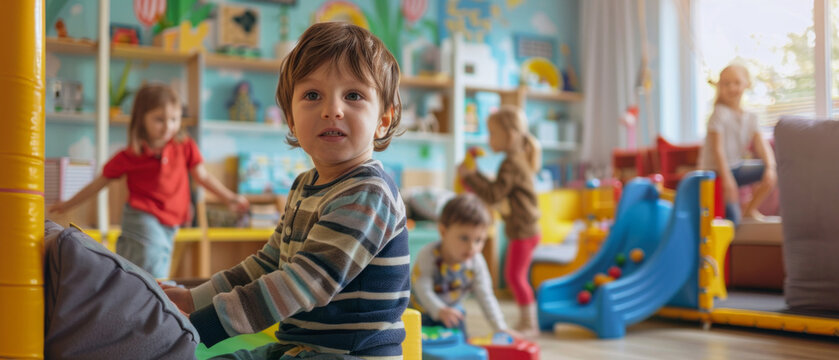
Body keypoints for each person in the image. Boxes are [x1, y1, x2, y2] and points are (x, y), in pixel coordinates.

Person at [163, 22, 409, 358]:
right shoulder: (304, 185)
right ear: (290, 119)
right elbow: (268, 263)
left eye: (353, 95)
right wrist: (194, 298)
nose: (331, 109)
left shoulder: (368, 193)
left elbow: (302, 282)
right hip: (298, 348)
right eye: (312, 95)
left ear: (383, 119)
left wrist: (200, 324)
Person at [49, 83, 249, 279]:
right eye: (159, 120)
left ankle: (138, 296)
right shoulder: (130, 156)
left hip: (171, 222)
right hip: (142, 217)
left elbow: (203, 177)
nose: (168, 126)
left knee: (143, 269)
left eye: (174, 119)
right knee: (152, 271)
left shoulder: (184, 145)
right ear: (141, 119)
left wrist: (229, 198)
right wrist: (68, 204)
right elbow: (99, 183)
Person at [457, 105, 542, 337]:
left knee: (515, 276)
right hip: (525, 228)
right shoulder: (514, 160)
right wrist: (474, 175)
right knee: (516, 275)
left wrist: (470, 176)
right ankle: (528, 320)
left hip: (524, 230)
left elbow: (494, 195)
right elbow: (497, 189)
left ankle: (529, 323)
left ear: (511, 135)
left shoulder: (511, 163)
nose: (489, 138)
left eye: (493, 133)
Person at [410, 193, 519, 339]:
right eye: (464, 238)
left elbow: (486, 296)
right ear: (443, 232)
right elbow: (423, 288)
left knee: (460, 343)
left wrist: (500, 327)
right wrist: (439, 310)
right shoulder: (429, 255)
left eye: (479, 240)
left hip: (452, 312)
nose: (472, 247)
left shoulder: (476, 262)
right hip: (420, 311)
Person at [697, 64, 777, 226]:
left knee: (769, 172)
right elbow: (717, 150)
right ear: (720, 87)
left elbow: (762, 146)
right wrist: (727, 181)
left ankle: (748, 211)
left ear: (746, 84)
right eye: (726, 84)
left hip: (735, 168)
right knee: (732, 221)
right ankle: (738, 219)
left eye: (736, 83)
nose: (731, 88)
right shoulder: (718, 114)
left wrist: (770, 167)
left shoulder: (750, 117)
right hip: (715, 173)